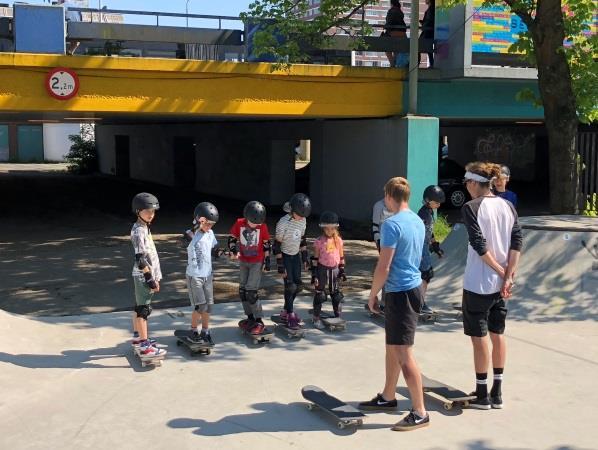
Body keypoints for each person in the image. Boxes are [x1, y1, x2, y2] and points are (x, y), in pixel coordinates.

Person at [358, 177, 429, 432]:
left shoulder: (391, 225)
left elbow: (383, 266)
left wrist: (372, 294)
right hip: (412, 288)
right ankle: (388, 396)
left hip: (400, 293)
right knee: (392, 345)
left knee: (403, 353)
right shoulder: (418, 221)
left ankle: (420, 411)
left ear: (389, 196)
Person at [461, 162, 523, 409]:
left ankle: (482, 394)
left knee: (479, 337)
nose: (466, 187)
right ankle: (498, 393)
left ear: (475, 183)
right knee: (498, 334)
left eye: (467, 182)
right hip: (502, 287)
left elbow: (478, 243)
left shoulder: (471, 207)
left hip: (478, 283)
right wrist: (508, 276)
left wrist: (499, 270)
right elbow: (517, 239)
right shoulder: (507, 205)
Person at [130, 192, 166, 358]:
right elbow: (140, 259)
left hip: (144, 276)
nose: (151, 214)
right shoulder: (139, 231)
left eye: (153, 211)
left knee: (139, 307)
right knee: (144, 310)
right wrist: (150, 279)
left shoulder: (144, 228)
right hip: (143, 276)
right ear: (138, 211)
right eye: (147, 211)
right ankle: (145, 345)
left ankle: (138, 338)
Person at [229, 201, 272, 335]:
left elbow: (266, 244)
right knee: (242, 291)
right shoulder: (239, 223)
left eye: (258, 223)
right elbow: (232, 238)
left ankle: (259, 320)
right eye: (254, 223)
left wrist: (267, 261)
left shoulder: (262, 227)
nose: (256, 226)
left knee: (251, 292)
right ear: (247, 217)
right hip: (243, 261)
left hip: (256, 262)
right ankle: (250, 318)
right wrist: (233, 250)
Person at [186, 202, 222, 346]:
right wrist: (198, 225)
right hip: (194, 276)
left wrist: (228, 253)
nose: (209, 227)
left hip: (208, 275)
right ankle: (193, 330)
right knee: (200, 306)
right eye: (207, 224)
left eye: (212, 224)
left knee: (209, 306)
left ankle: (205, 330)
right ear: (199, 220)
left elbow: (215, 250)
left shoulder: (210, 233)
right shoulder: (191, 234)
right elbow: (187, 237)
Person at [274, 193, 311, 329]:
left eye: (304, 216)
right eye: (299, 215)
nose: (301, 218)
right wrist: (280, 265)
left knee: (298, 286)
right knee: (290, 286)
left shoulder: (303, 220)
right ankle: (290, 313)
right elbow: (276, 246)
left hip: (295, 256)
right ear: (292, 210)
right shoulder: (283, 222)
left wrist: (305, 257)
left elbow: (302, 239)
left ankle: (285, 310)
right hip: (285, 256)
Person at [310, 211, 347, 329]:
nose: (329, 231)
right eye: (327, 229)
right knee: (320, 295)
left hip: (334, 270)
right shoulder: (319, 241)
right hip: (322, 269)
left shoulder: (339, 241)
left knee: (335, 295)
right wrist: (314, 274)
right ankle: (316, 318)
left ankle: (338, 315)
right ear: (323, 228)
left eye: (332, 229)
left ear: (335, 228)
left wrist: (342, 270)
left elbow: (341, 256)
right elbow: (315, 258)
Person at [417, 185, 445, 314]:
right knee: (425, 275)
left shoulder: (429, 212)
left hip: (425, 247)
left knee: (425, 275)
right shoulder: (423, 214)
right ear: (428, 200)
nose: (439, 205)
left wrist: (435, 245)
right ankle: (420, 304)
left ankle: (419, 302)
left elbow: (430, 232)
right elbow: (418, 233)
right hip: (421, 248)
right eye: (437, 202)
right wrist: (420, 253)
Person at [384, 0, 408, 68]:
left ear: (392, 4)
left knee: (385, 46)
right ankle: (397, 63)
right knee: (397, 49)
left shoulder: (391, 11)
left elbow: (389, 23)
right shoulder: (400, 12)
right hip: (403, 34)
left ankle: (392, 64)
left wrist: (385, 27)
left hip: (394, 33)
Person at [419, 0, 435, 68]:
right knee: (429, 49)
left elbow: (429, 21)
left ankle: (416, 64)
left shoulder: (431, 9)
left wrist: (423, 25)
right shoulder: (431, 8)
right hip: (429, 31)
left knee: (418, 46)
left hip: (428, 31)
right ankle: (431, 64)